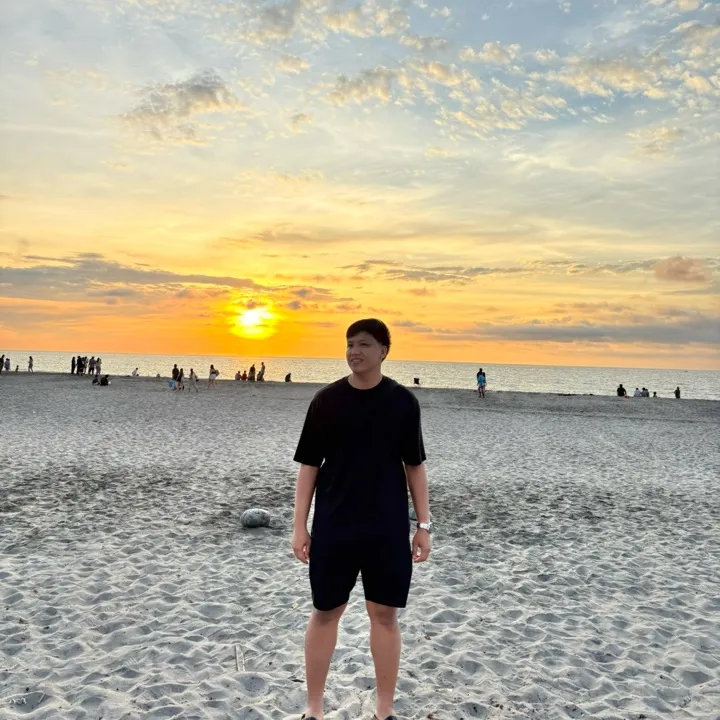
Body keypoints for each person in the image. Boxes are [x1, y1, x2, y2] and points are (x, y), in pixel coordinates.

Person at [291, 318, 431, 720]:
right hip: (334, 526)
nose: (355, 351)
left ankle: (384, 710)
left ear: (384, 351)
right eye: (350, 344)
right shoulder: (326, 401)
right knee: (325, 613)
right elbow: (308, 467)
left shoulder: (403, 403)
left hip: (387, 529)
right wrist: (300, 525)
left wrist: (423, 526)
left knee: (384, 617)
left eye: (364, 344)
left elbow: (415, 466)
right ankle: (314, 708)